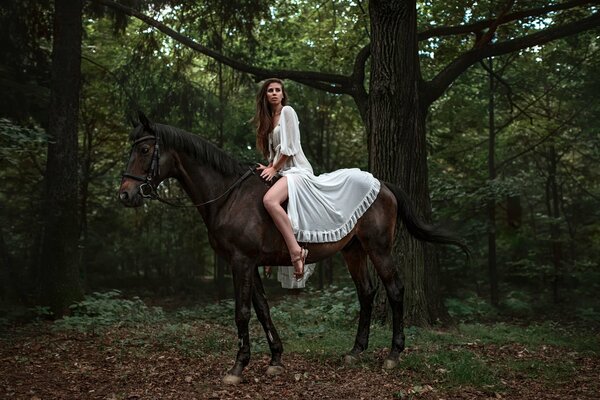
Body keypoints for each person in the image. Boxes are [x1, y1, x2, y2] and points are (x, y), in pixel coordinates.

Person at [254, 78, 381, 284]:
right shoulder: (269, 120)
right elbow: (274, 152)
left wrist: (274, 168)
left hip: (297, 171)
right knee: (267, 201)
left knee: (269, 201)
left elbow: (290, 148)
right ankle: (272, 251)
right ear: (265, 96)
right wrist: (269, 167)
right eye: (270, 90)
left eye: (278, 90)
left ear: (283, 95)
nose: (275, 93)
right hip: (283, 173)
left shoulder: (288, 112)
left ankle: (296, 252)